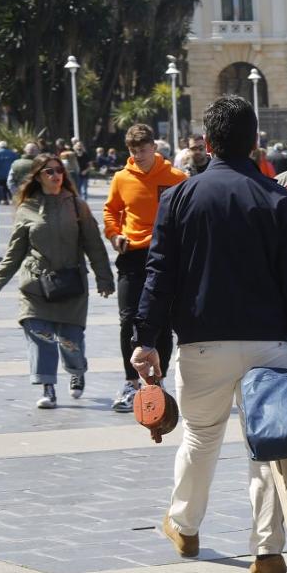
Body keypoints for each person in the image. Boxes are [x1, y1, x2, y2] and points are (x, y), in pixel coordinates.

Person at [131, 95, 287, 573]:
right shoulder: (278, 199)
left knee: (200, 436)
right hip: (268, 341)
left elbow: (160, 275)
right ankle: (267, 552)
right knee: (267, 448)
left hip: (202, 339)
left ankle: (185, 525)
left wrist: (146, 338)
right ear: (255, 141)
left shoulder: (179, 198)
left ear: (207, 142)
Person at [0, 154, 114, 408]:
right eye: (49, 172)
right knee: (40, 335)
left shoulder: (77, 206)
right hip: (35, 285)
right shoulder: (27, 208)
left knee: (70, 341)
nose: (56, 176)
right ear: (38, 177)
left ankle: (76, 370)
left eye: (59, 171)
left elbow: (94, 246)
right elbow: (15, 251)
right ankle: (48, 387)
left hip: (71, 285)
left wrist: (104, 278)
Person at [102, 124, 188, 412]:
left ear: (155, 147)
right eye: (133, 150)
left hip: (164, 256)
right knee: (128, 319)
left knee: (161, 322)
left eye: (142, 149)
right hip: (132, 255)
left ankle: (157, 383)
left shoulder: (176, 177)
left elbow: (186, 215)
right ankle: (130, 382)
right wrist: (114, 234)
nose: (138, 155)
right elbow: (110, 210)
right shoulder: (121, 178)